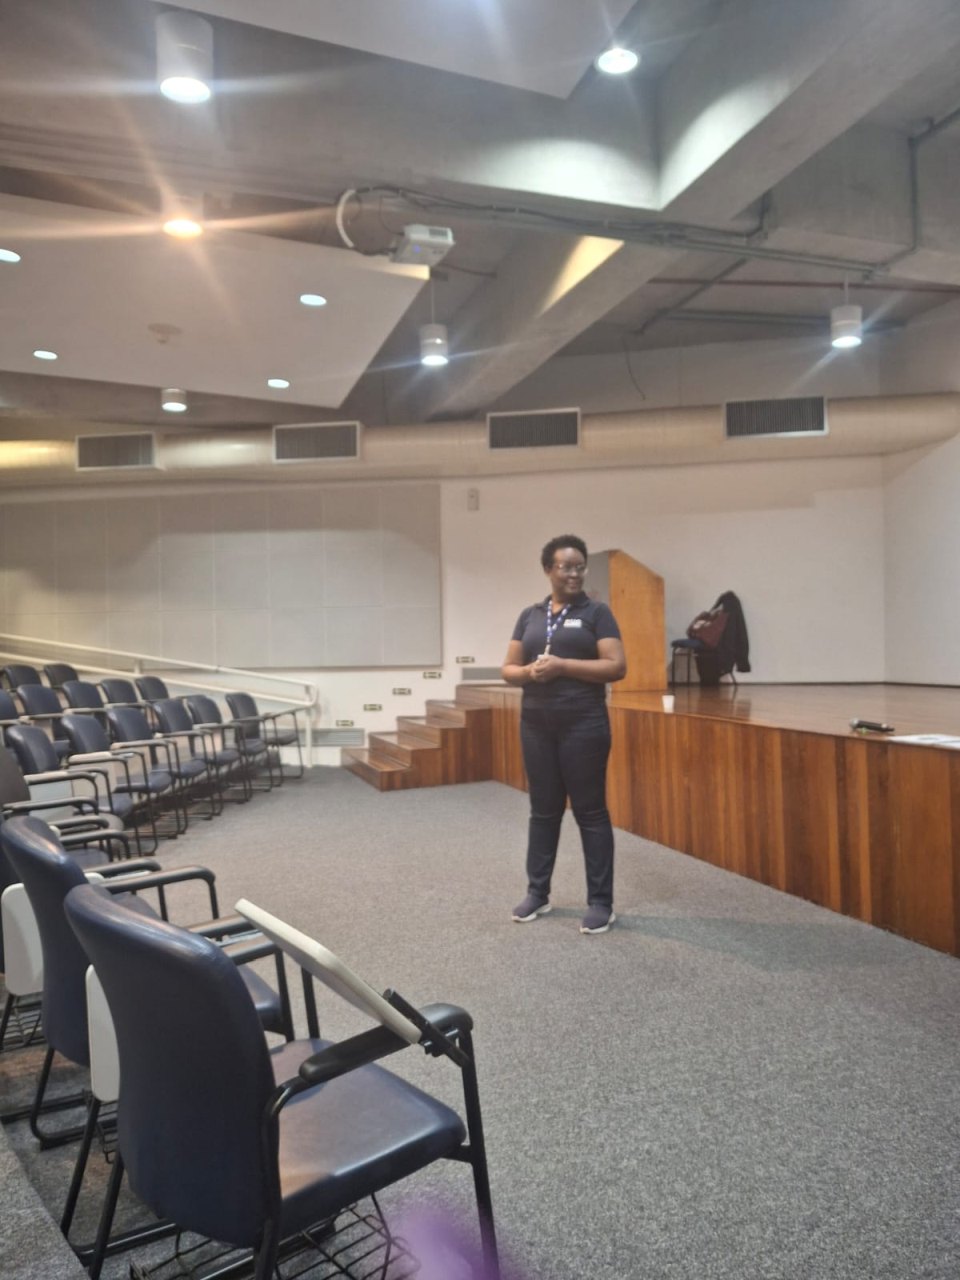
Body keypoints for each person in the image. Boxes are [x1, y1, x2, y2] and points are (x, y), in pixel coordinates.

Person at [501, 535, 627, 935]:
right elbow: (508, 669)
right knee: (543, 811)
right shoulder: (530, 615)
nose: (574, 573)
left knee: (590, 812)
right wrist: (529, 672)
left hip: (583, 724)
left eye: (579, 566)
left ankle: (601, 903)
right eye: (565, 567)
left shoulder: (597, 613)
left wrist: (562, 666)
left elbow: (616, 666)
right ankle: (537, 893)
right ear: (548, 570)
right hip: (536, 725)